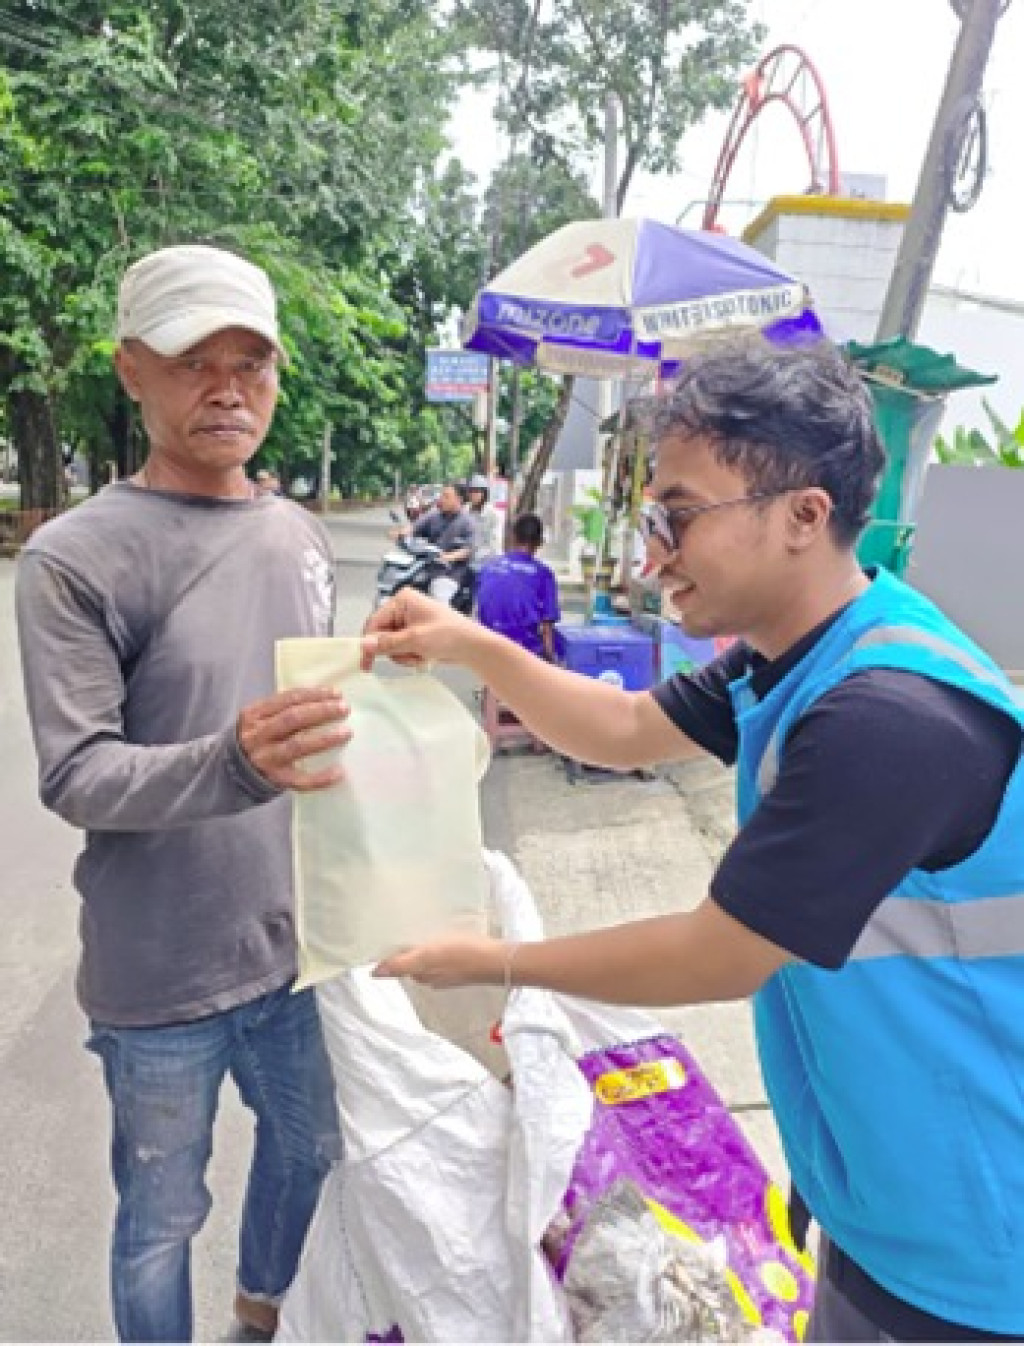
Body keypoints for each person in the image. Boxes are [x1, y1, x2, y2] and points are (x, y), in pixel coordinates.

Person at [363, 338, 1024, 1343]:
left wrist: (495, 961)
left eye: (679, 515)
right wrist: (469, 643)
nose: (652, 552)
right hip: (871, 1174)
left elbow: (718, 951)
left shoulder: (887, 715)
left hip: (967, 1227)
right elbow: (624, 730)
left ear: (803, 515)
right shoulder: (788, 654)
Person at [16, 243, 351, 1344]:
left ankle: (260, 1314)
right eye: (191, 360)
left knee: (311, 1150)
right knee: (161, 1213)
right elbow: (79, 774)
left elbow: (316, 732)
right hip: (157, 969)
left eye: (249, 363)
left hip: (291, 948)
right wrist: (239, 759)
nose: (225, 387)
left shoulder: (298, 535)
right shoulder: (74, 557)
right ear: (130, 372)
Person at [476, 512, 560, 660]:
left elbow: (481, 605)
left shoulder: (489, 566)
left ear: (513, 537)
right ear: (540, 542)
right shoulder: (543, 574)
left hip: (487, 643)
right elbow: (547, 626)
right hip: (522, 648)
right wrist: (550, 660)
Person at [407, 480, 476, 604]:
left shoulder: (467, 522)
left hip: (449, 574)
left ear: (459, 499)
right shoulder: (433, 516)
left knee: (438, 598)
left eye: (446, 496)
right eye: (441, 495)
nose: (441, 499)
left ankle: (440, 623)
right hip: (425, 568)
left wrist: (449, 557)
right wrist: (402, 533)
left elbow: (468, 550)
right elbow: (415, 527)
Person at [463, 472, 503, 564]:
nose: (474, 495)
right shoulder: (464, 510)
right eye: (471, 491)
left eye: (477, 492)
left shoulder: (493, 514)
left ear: (484, 493)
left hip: (488, 560)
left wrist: (476, 555)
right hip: (466, 558)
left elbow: (494, 545)